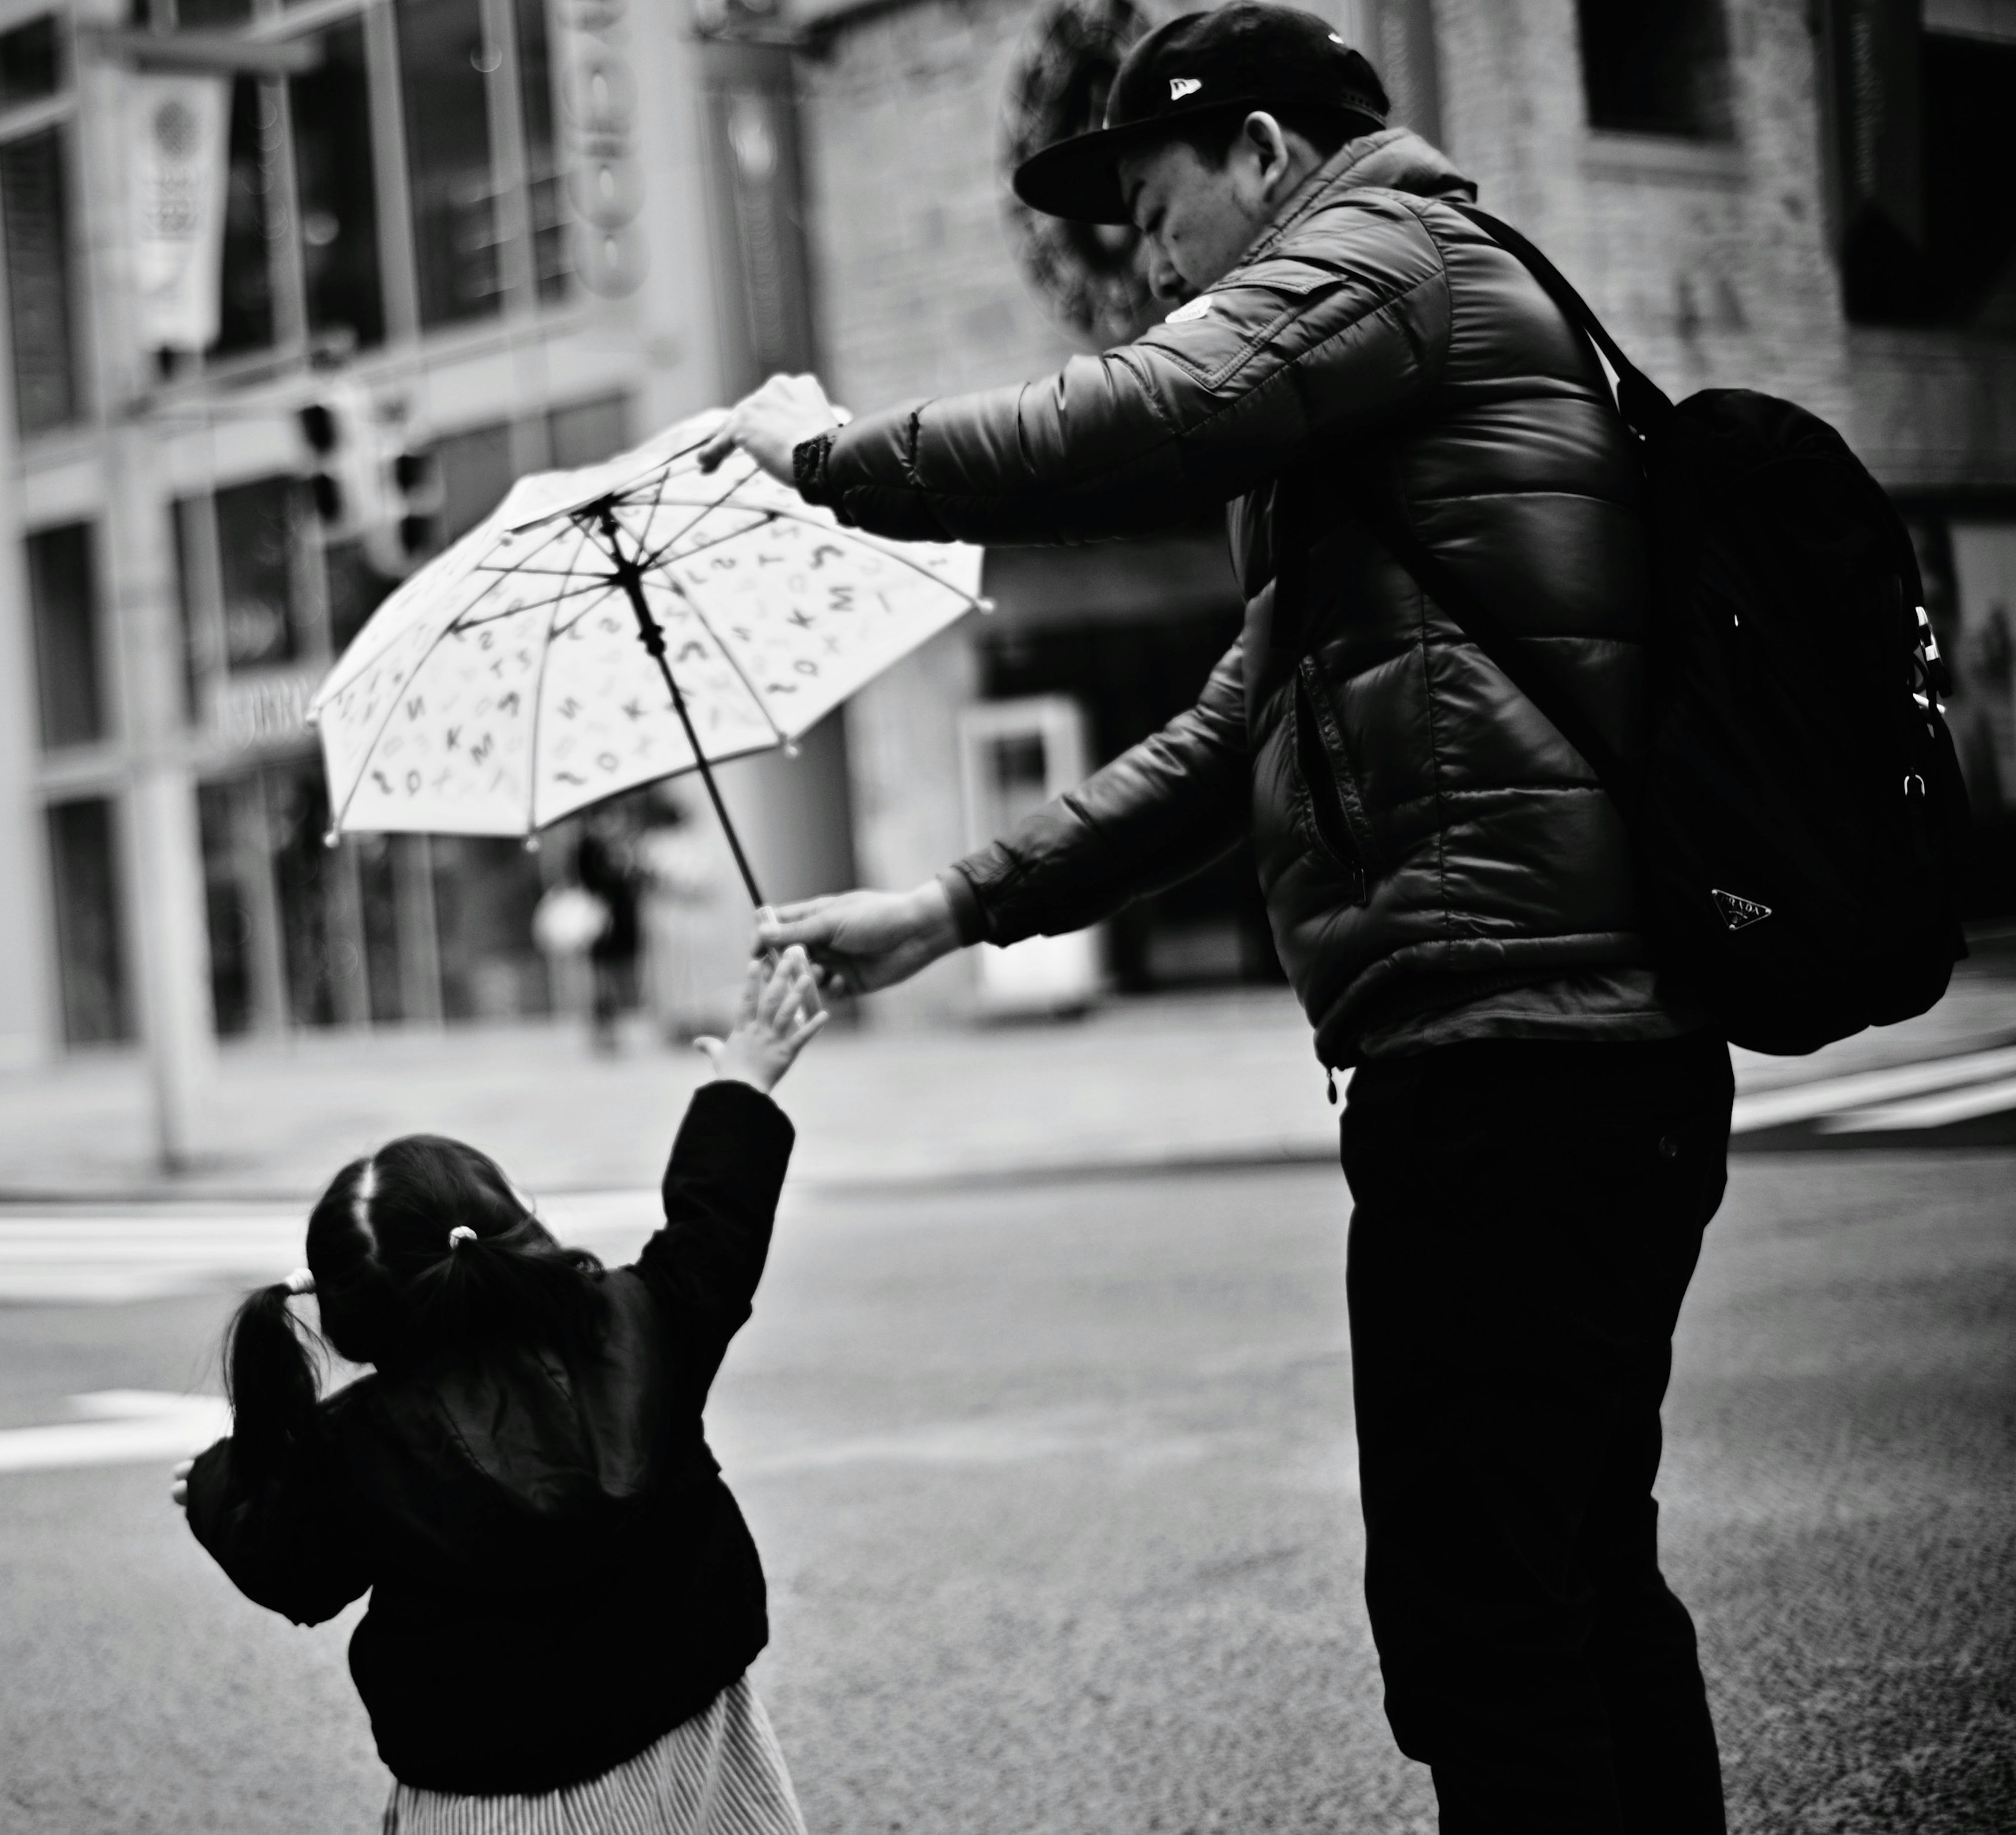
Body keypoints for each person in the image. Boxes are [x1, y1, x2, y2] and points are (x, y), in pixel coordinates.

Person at [702, 6, 1733, 1830]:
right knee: (1568, 1580)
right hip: (1540, 1049)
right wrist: (945, 906)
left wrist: (830, 457)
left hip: (1512, 1048)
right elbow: (1219, 738)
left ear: (1260, 154)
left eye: (1149, 196)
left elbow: (1145, 410)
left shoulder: (1386, 254)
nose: (1134, 249)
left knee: (1486, 1621)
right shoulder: (1369, 414)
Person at [177, 948, 830, 1834]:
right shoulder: (637, 1324)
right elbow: (717, 1220)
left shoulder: (356, 1445)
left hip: (492, 1795)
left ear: (351, 1317)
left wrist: (213, 1487)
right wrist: (744, 1083)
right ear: (511, 1228)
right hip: (694, 1741)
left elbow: (291, 1567)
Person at [575, 806, 649, 1054]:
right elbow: (589, 883)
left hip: (622, 921)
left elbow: (633, 883)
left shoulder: (624, 846)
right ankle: (604, 1029)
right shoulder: (589, 849)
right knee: (603, 977)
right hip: (602, 923)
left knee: (621, 975)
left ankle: (618, 1026)